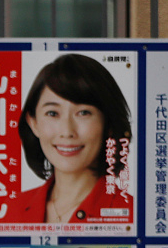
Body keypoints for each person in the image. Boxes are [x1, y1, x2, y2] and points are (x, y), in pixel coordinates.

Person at [12, 54, 133, 226]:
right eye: (52, 113)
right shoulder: (12, 211)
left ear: (108, 125)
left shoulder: (133, 215)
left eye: (83, 113)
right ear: (33, 123)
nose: (67, 132)